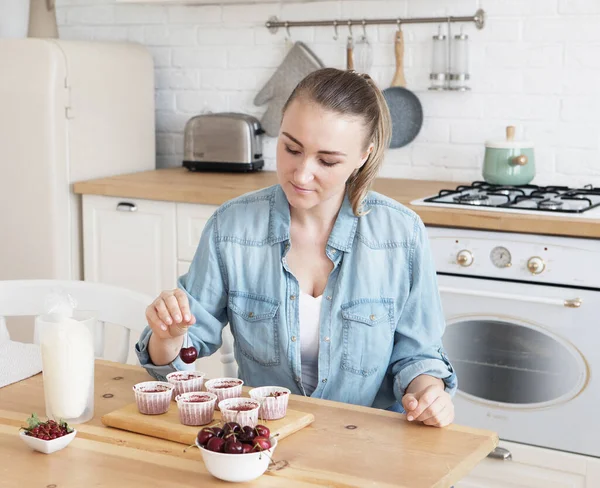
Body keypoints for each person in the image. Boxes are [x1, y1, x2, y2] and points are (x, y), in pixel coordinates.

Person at [136, 68, 457, 428]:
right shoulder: (232, 228)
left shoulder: (402, 234)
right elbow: (178, 355)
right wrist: (167, 336)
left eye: (327, 160)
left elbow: (418, 356)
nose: (301, 174)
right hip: (266, 440)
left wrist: (430, 394)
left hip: (371, 442)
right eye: (291, 148)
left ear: (363, 156)